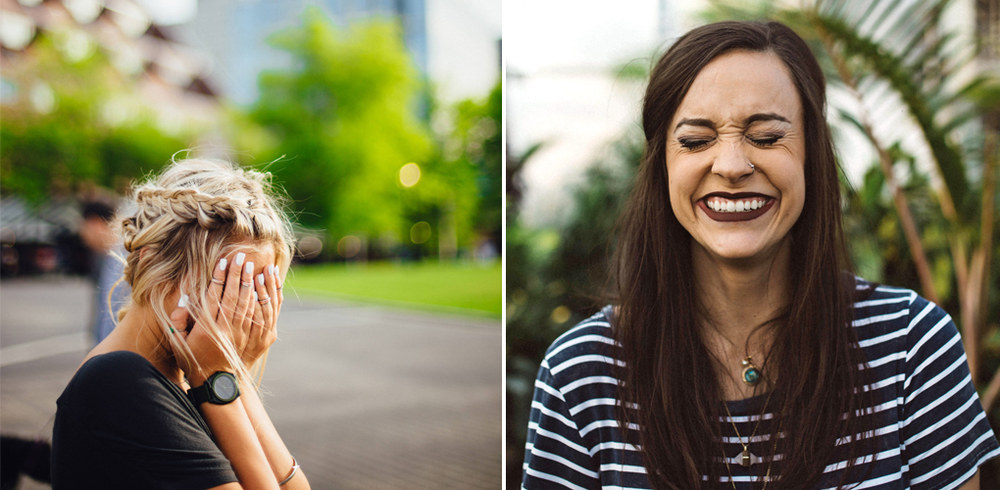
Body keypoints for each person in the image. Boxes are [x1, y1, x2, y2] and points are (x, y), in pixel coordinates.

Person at [521, 20, 1000, 489]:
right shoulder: (580, 373)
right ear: (662, 165)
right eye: (695, 141)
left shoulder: (912, 347)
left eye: (767, 136)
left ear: (812, 153)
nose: (731, 166)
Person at [52, 158, 310, 489]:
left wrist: (233, 377)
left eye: (259, 290)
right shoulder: (118, 381)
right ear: (154, 264)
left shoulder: (191, 371)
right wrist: (218, 382)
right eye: (228, 286)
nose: (244, 312)